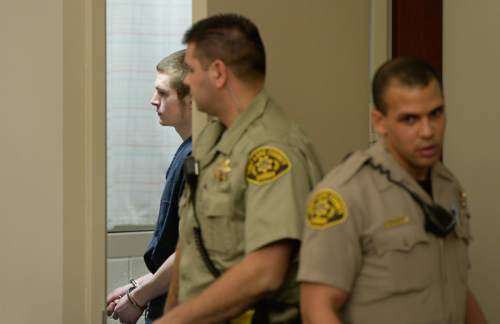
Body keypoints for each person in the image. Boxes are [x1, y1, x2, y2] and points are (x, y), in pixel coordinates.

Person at [154, 13, 323, 324]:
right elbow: (190, 241)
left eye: (191, 70)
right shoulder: (211, 140)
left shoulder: (271, 149)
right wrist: (172, 313)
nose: (187, 81)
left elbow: (265, 272)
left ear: (218, 73)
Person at [298, 57, 487, 324]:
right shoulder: (346, 194)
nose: (428, 131)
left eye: (435, 114)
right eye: (410, 119)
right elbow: (316, 309)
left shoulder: (448, 186)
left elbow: (451, 285)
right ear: (380, 121)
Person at [106, 49, 192, 324]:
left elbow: (190, 250)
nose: (153, 100)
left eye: (163, 93)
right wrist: (137, 286)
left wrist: (138, 298)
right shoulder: (186, 153)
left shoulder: (198, 157)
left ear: (191, 99)